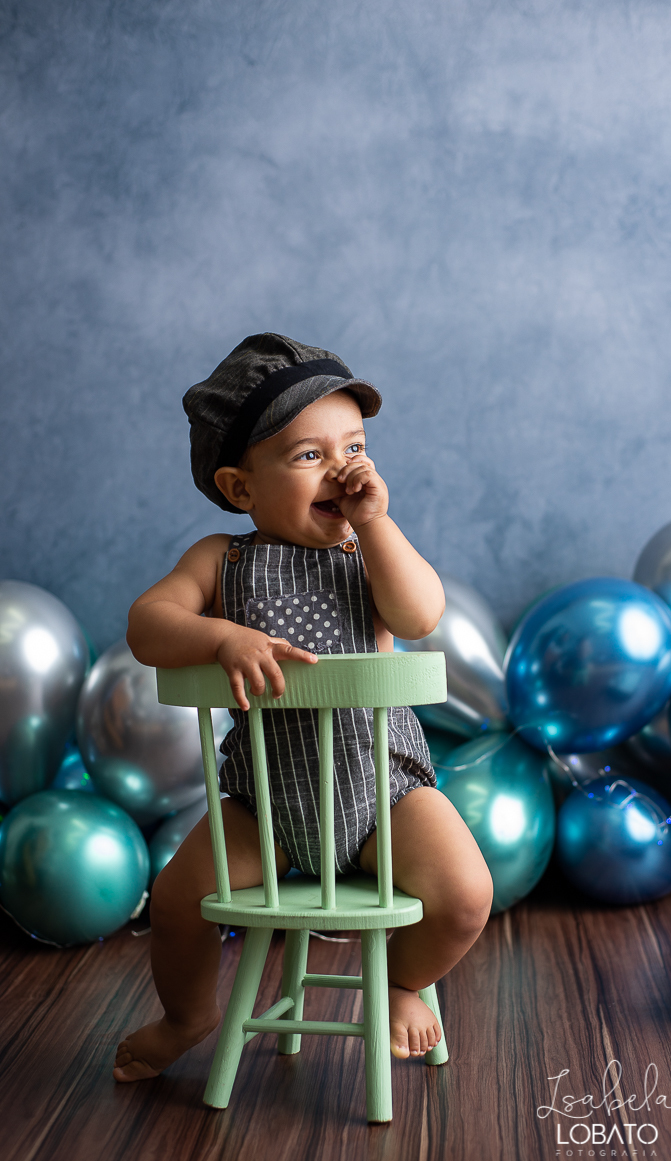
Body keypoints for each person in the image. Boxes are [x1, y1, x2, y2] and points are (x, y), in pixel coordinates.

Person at [114, 333, 493, 1083]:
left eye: (352, 446)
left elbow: (418, 616)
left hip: (383, 790)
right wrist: (219, 636)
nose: (342, 469)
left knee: (465, 894)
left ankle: (402, 983)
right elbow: (146, 625)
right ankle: (188, 1016)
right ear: (241, 486)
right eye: (308, 455)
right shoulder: (219, 560)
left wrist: (379, 524)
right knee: (178, 899)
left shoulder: (366, 551)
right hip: (266, 799)